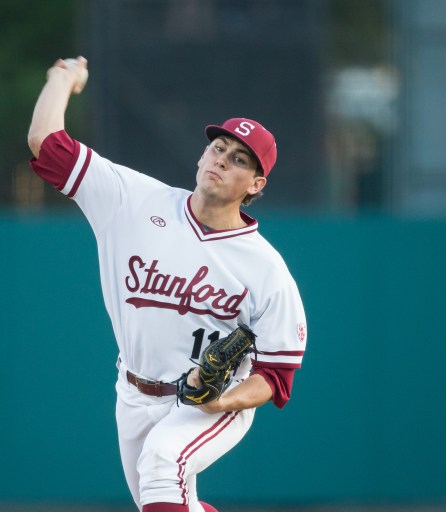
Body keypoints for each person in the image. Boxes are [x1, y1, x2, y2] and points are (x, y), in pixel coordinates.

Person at [27, 56, 307, 512]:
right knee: (168, 501)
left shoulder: (265, 268)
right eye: (218, 147)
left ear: (256, 184)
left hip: (209, 402)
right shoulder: (133, 200)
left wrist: (223, 402)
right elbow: (47, 145)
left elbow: (274, 377)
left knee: (163, 465)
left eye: (239, 160)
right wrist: (60, 78)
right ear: (202, 154)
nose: (222, 160)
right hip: (133, 392)